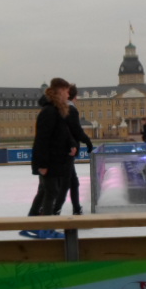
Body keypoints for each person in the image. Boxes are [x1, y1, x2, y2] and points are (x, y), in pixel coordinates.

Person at [22, 78, 76, 239]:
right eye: (66, 91)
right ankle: (46, 227)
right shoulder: (49, 111)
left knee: (45, 191)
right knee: (51, 191)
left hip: (54, 159)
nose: (68, 95)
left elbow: (62, 132)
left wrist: (71, 144)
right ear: (59, 91)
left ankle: (31, 223)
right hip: (49, 161)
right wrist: (43, 164)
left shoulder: (57, 110)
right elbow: (42, 139)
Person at [52, 84, 94, 216]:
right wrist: (87, 141)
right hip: (69, 149)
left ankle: (76, 208)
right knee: (66, 182)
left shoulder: (61, 108)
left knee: (73, 182)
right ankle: (55, 209)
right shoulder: (71, 109)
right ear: (74, 97)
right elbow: (76, 130)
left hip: (64, 149)